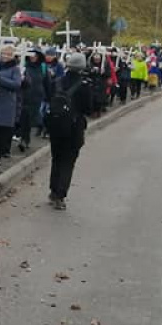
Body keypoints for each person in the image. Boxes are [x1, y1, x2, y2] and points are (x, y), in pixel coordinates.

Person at [46, 52, 94, 210]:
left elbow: (49, 98)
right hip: (74, 127)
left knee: (56, 158)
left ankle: (53, 190)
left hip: (55, 126)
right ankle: (60, 195)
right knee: (68, 161)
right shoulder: (84, 85)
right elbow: (88, 108)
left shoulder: (58, 81)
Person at [16, 48, 49, 153]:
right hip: (24, 96)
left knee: (30, 119)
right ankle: (23, 139)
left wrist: (49, 96)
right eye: (31, 55)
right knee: (24, 118)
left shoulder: (43, 68)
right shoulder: (24, 68)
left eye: (35, 55)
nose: (33, 57)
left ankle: (26, 139)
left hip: (36, 97)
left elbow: (47, 82)